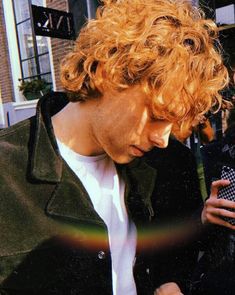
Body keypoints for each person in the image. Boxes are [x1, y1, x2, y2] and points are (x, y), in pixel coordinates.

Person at [0, 0, 229, 294]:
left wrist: (166, 281)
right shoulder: (7, 174)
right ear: (111, 73)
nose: (162, 138)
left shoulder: (163, 164)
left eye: (173, 123)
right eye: (157, 116)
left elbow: (167, 251)